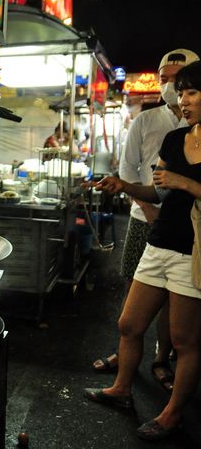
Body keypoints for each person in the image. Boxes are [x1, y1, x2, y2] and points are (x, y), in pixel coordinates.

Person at [84, 60, 201, 441]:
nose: (183, 101)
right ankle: (121, 389)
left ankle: (172, 414)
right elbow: (158, 191)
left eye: (192, 92)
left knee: (184, 341)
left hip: (192, 250)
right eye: (181, 93)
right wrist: (125, 186)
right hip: (160, 241)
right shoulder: (174, 139)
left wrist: (185, 182)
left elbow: (178, 184)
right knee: (129, 324)